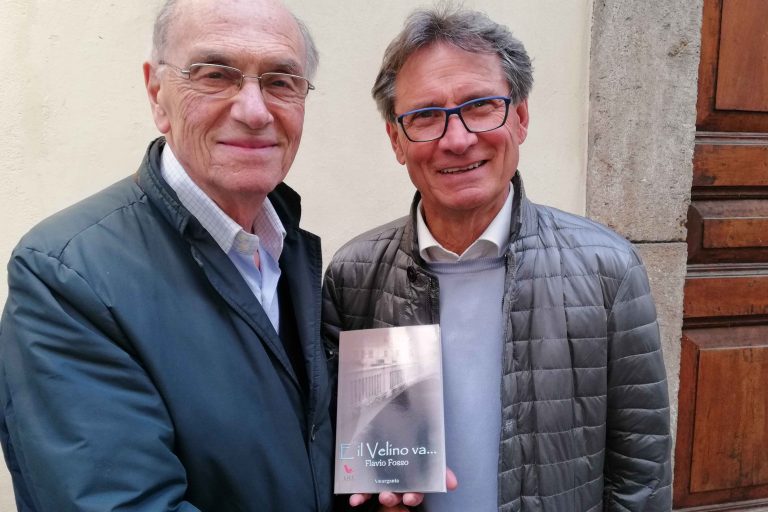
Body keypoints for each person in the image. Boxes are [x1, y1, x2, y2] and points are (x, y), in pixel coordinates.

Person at [322, 5, 672, 511]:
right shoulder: (354, 276)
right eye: (425, 116)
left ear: (520, 118)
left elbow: (641, 473)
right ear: (397, 140)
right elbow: (334, 455)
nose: (457, 139)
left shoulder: (608, 270)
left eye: (482, 105)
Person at [0, 0, 334, 510]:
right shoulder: (67, 276)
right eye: (215, 75)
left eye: (280, 81)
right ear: (157, 94)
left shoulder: (288, 252)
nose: (254, 110)